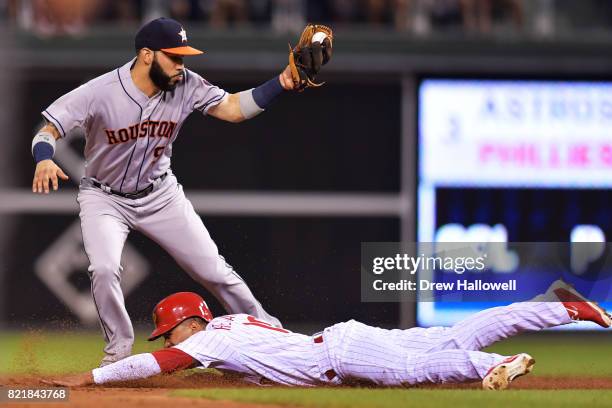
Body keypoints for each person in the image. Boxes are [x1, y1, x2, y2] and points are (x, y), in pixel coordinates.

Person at [30, 17, 316, 366]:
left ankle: (272, 335)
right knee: (104, 269)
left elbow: (232, 109)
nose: (182, 66)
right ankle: (118, 352)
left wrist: (282, 82)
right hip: (104, 197)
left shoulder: (187, 85)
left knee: (214, 270)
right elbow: (48, 129)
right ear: (147, 55)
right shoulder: (100, 90)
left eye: (184, 58)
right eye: (174, 57)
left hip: (160, 194)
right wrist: (44, 159)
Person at [44, 280, 611, 390]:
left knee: (424, 369)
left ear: (191, 322)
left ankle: (499, 363)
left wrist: (88, 377)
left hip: (341, 352)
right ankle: (562, 309)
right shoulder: (235, 327)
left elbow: (158, 367)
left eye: (170, 331)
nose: (169, 341)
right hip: (337, 342)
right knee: (451, 334)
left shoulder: (210, 338)